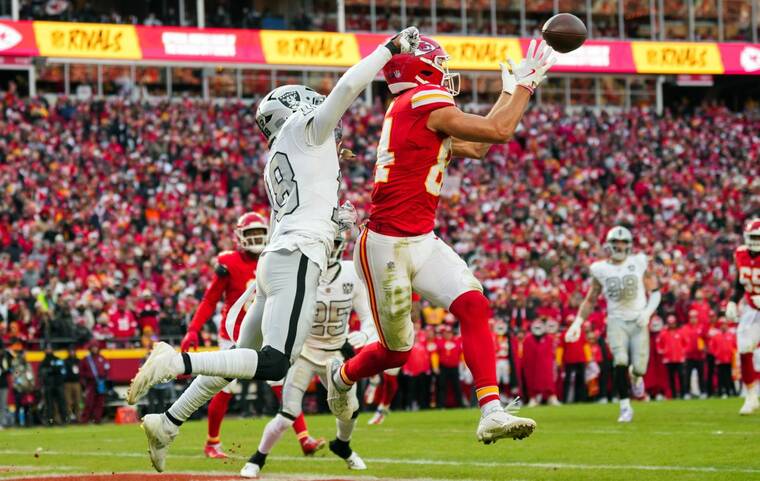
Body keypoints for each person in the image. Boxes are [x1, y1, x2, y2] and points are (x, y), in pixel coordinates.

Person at [126, 27, 421, 473]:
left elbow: (302, 206)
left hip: (279, 258)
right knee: (272, 362)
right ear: (295, 108)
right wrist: (388, 50)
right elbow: (347, 87)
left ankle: (167, 421)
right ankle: (176, 361)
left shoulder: (282, 154)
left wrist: (334, 219)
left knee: (234, 365)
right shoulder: (306, 131)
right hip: (296, 258)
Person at [327, 36, 557, 445]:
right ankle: (341, 374)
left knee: (473, 304)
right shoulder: (422, 101)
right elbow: (499, 131)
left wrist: (509, 91)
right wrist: (526, 86)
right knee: (395, 352)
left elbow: (480, 145)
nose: (447, 72)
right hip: (387, 245)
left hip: (421, 238)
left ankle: (491, 411)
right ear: (423, 68)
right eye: (440, 63)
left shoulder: (416, 107)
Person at [240, 234, 377, 478]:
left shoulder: (351, 273)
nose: (330, 248)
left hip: (335, 353)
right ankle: (257, 458)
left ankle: (342, 445)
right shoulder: (301, 271)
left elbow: (369, 318)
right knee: (287, 413)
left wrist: (364, 336)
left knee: (349, 410)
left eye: (335, 243)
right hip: (303, 352)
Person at [177, 211, 275, 458]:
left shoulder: (272, 258)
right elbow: (210, 299)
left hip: (265, 333)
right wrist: (193, 329)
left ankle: (304, 438)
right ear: (239, 236)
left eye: (258, 233)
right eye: (250, 233)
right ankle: (212, 442)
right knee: (223, 388)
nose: (255, 238)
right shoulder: (229, 262)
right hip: (233, 335)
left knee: (282, 382)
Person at [566, 226, 661, 422]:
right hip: (616, 320)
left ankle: (636, 377)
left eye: (623, 242)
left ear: (629, 245)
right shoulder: (600, 268)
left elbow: (656, 291)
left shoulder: (639, 262)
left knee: (640, 368)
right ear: (609, 245)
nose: (619, 245)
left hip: (638, 320)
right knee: (619, 361)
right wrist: (577, 323)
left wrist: (647, 313)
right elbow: (591, 299)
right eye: (616, 242)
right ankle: (625, 407)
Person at [725, 218, 760, 414]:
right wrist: (732, 301)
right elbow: (739, 283)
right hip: (753, 309)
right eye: (752, 237)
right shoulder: (740, 254)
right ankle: (751, 396)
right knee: (744, 348)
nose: (755, 241)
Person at [657, 315, 687, 399]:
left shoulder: (680, 332)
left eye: (673, 323)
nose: (672, 325)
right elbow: (659, 345)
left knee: (681, 376)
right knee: (671, 378)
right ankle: (673, 395)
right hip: (668, 359)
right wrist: (663, 351)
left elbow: (685, 344)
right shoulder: (663, 333)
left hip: (679, 359)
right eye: (670, 323)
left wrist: (682, 352)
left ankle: (683, 394)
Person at [80, 342, 110, 424]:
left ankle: (97, 419)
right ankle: (84, 420)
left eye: (96, 347)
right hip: (90, 383)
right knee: (89, 402)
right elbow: (82, 372)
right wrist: (84, 383)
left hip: (101, 382)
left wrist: (105, 379)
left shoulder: (102, 358)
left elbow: (107, 370)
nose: (94, 349)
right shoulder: (86, 359)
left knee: (100, 402)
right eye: (93, 347)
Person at [38, 345, 68, 425]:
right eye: (47, 349)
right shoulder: (44, 361)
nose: (48, 350)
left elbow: (62, 371)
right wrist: (54, 369)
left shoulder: (57, 359)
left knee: (62, 403)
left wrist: (50, 370)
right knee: (49, 405)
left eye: (50, 349)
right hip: (49, 385)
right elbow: (41, 373)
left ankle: (64, 420)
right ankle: (50, 421)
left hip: (58, 384)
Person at [709, 318, 737, 397]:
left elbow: (735, 346)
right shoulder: (716, 336)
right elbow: (712, 348)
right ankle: (721, 392)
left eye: (724, 324)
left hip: (730, 360)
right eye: (722, 325)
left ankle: (730, 391)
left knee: (729, 376)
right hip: (720, 360)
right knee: (720, 377)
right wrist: (716, 355)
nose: (723, 326)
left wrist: (733, 355)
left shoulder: (731, 335)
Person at [63, 345, 82, 423]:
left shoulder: (78, 361)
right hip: (67, 383)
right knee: (68, 402)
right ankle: (69, 418)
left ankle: (79, 418)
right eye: (70, 351)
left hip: (77, 383)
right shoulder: (65, 361)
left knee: (78, 401)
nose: (72, 352)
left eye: (73, 351)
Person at [0, 342, 11, 427]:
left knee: (3, 405)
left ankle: (2, 423)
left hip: (3, 384)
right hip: (3, 384)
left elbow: (8, 369)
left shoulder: (5, 358)